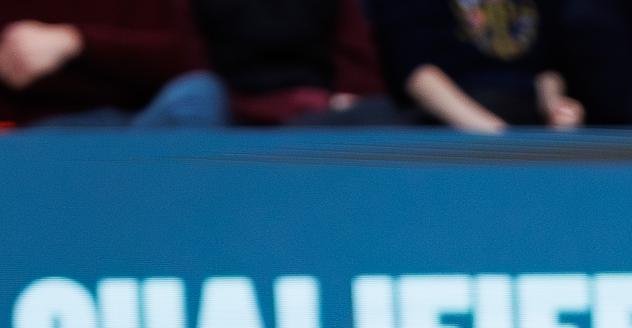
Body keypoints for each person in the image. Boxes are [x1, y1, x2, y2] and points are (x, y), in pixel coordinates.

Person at [367, 0, 583, 132]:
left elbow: (546, 67)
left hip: (528, 127)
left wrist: (554, 106)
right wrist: (498, 136)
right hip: (450, 124)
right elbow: (416, 73)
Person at [0, 1, 224, 127]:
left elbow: (184, 61)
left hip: (143, 120)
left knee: (199, 92)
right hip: (46, 126)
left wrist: (77, 42)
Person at [191, 0, 386, 126]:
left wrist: (337, 99)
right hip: (229, 103)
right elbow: (190, 62)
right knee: (196, 94)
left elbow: (356, 60)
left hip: (318, 105)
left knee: (377, 111)